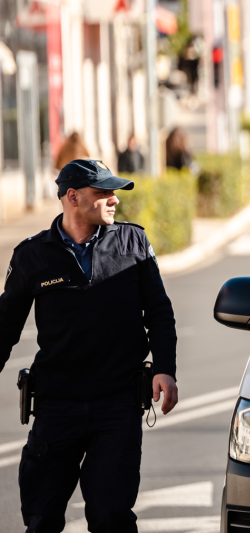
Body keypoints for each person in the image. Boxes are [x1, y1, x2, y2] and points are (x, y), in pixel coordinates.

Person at [0, 159, 179, 532]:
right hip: (56, 407)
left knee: (110, 517)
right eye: (103, 193)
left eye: (114, 192)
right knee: (42, 517)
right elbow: (5, 327)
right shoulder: (32, 256)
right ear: (73, 197)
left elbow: (159, 312)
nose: (114, 200)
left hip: (117, 406)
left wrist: (165, 368)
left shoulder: (133, 242)